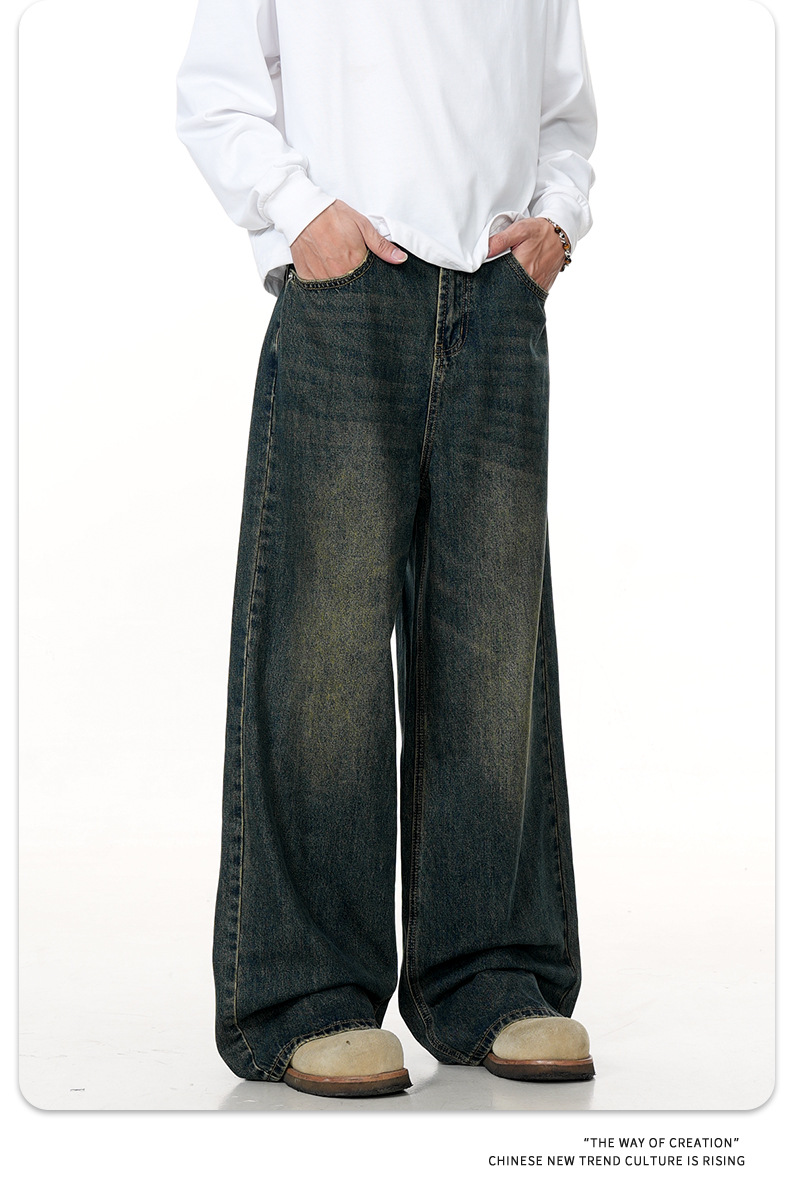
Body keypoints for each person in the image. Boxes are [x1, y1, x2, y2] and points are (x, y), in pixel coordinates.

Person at [176, 0, 597, 1099]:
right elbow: (217, 88)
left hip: (499, 298)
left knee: (494, 653)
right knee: (323, 654)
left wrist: (556, 223)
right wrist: (299, 214)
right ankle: (305, 993)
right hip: (348, 282)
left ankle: (492, 974)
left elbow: (563, 112)